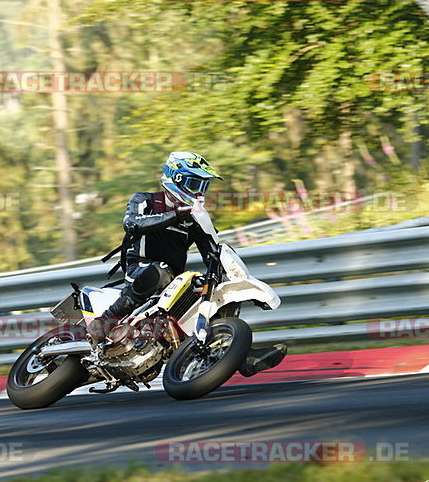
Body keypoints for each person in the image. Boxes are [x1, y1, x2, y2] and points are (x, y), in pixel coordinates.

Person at [91, 151, 286, 377]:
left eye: (203, 186)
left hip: (172, 278)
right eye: (194, 184)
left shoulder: (192, 217)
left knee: (207, 291)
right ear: (176, 179)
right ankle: (104, 320)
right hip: (140, 268)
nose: (199, 192)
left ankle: (238, 355)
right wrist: (176, 214)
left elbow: (211, 251)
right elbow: (132, 224)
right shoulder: (145, 200)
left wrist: (232, 280)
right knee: (160, 272)